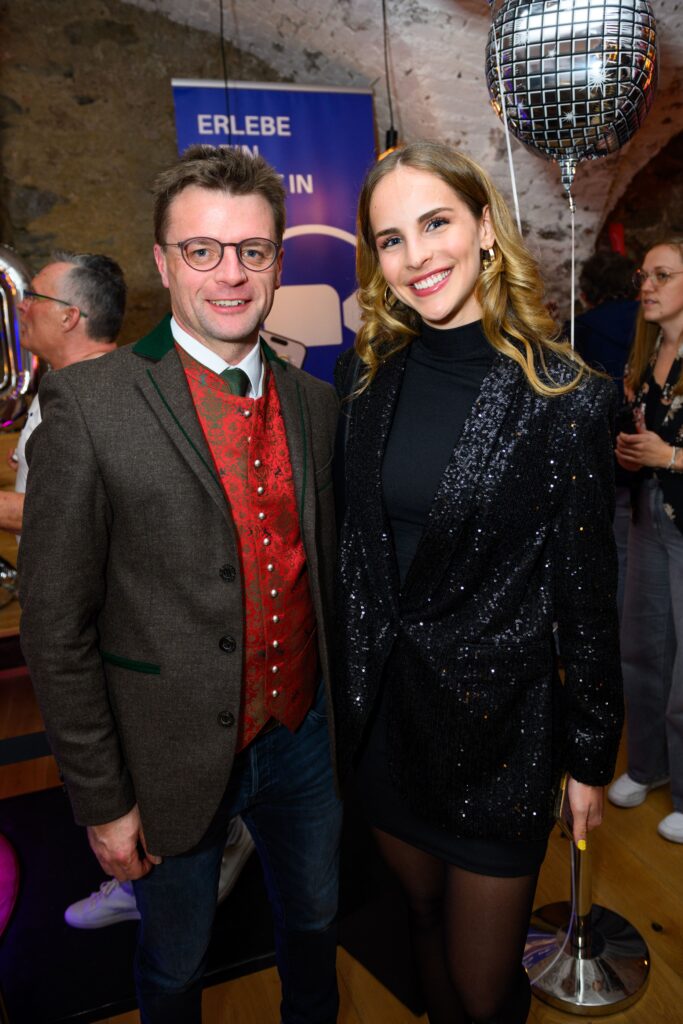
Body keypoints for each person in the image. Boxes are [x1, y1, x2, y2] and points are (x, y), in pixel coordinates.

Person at [19, 145, 341, 1023]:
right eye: (202, 250)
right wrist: (103, 800)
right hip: (165, 757)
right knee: (174, 962)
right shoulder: (92, 405)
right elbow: (56, 626)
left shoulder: (315, 406)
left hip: (303, 736)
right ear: (164, 263)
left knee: (314, 923)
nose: (229, 274)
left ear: (277, 262)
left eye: (252, 250)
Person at [333, 142, 623, 1024]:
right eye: (391, 239)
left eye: (435, 223)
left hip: (498, 739)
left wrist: (588, 759)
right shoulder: (364, 375)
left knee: (483, 985)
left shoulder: (564, 396)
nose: (416, 255)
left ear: (485, 227)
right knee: (418, 921)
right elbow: (356, 555)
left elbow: (586, 598)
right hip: (384, 722)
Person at [0, 252, 253, 928]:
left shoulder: (110, 398)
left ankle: (161, 874)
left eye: (34, 298)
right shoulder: (73, 389)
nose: (21, 309)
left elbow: (66, 512)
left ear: (70, 316)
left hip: (125, 631)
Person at [608, 236, 683, 844]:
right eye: (643, 276)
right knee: (640, 648)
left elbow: (669, 452)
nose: (647, 287)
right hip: (644, 513)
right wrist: (632, 455)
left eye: (662, 275)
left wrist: (671, 457)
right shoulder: (647, 351)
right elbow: (644, 446)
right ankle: (650, 765)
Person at [571, 250, 639, 618]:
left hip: (596, 457)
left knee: (596, 551)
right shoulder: (652, 324)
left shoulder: (578, 330)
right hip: (641, 452)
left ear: (587, 291)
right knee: (634, 552)